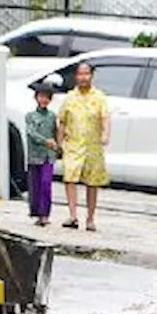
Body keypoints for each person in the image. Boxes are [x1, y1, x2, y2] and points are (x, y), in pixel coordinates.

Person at [56, 62, 110, 231]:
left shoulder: (99, 97)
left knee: (92, 182)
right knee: (70, 177)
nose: (83, 77)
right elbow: (62, 122)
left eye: (86, 73)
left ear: (91, 76)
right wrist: (59, 143)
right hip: (73, 143)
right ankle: (72, 215)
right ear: (76, 76)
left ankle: (90, 218)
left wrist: (105, 134)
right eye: (80, 74)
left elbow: (105, 118)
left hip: (92, 145)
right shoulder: (70, 98)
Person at [25, 84, 58, 226]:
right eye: (41, 96)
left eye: (46, 97)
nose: (43, 100)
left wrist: (57, 146)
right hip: (35, 155)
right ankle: (36, 212)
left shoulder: (52, 116)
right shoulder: (30, 116)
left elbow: (56, 132)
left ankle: (45, 213)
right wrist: (46, 142)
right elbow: (31, 133)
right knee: (35, 186)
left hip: (48, 156)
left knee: (46, 184)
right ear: (36, 98)